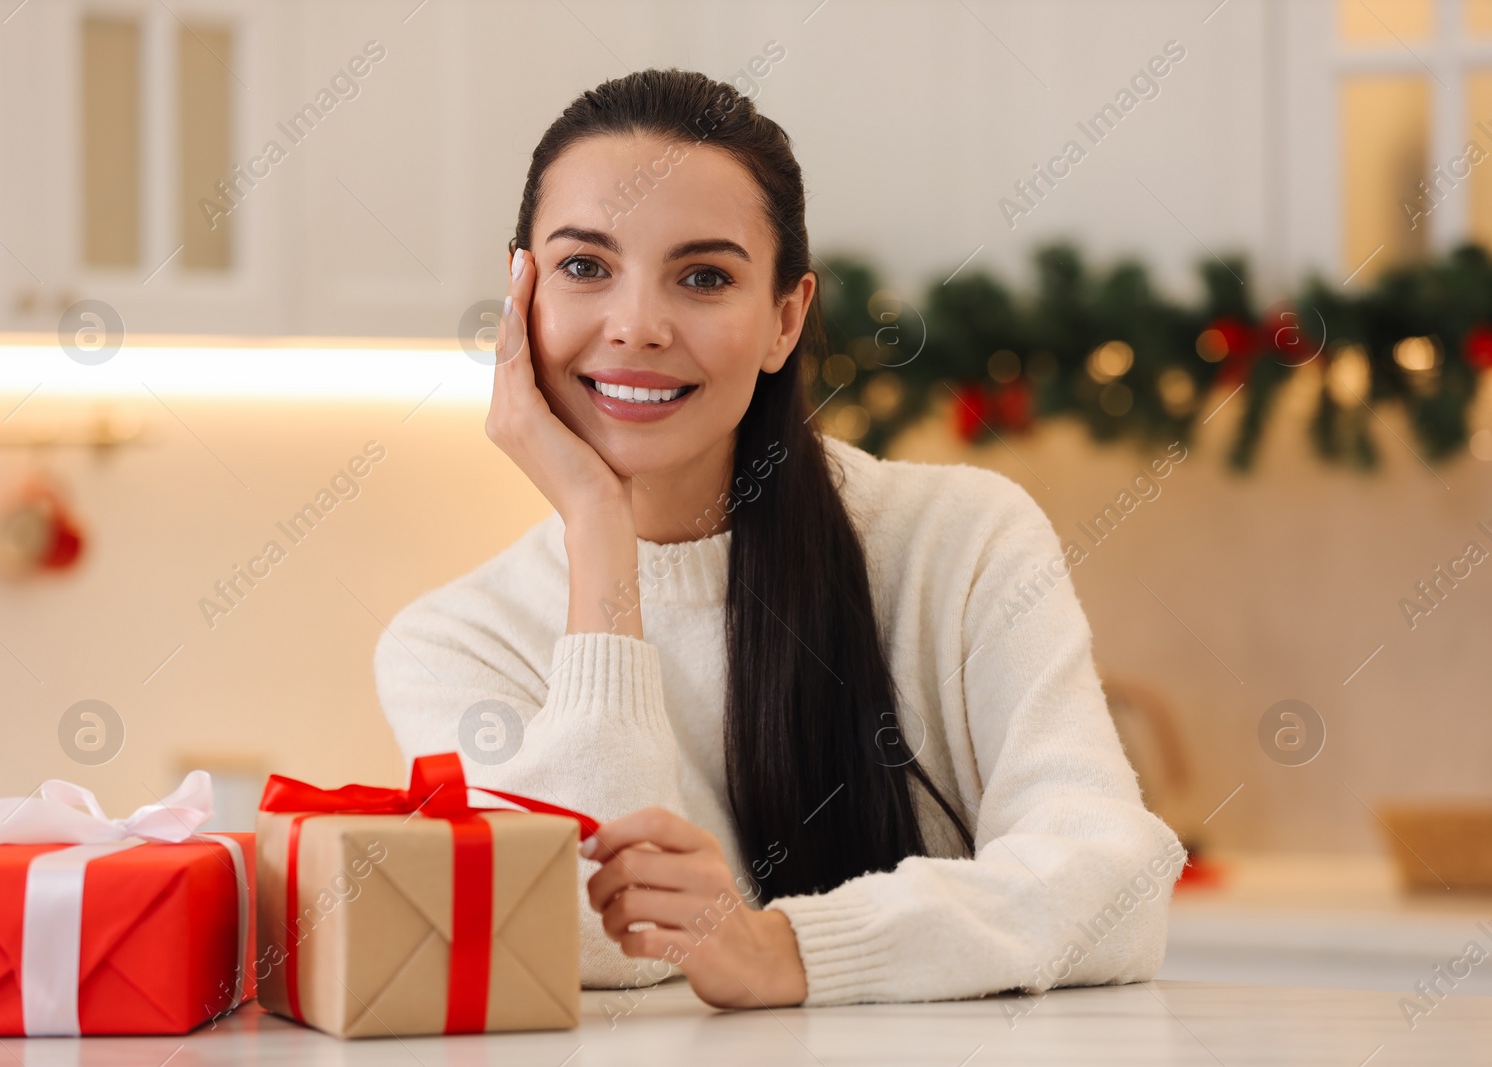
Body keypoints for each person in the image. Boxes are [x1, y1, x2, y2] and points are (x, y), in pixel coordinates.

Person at [375, 68, 1183, 1011]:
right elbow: (589, 936)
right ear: (520, 296)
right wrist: (599, 529)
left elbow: (1111, 881)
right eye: (584, 267)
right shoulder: (451, 644)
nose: (636, 326)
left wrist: (785, 950)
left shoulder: (959, 543)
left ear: (785, 320)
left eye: (705, 277)